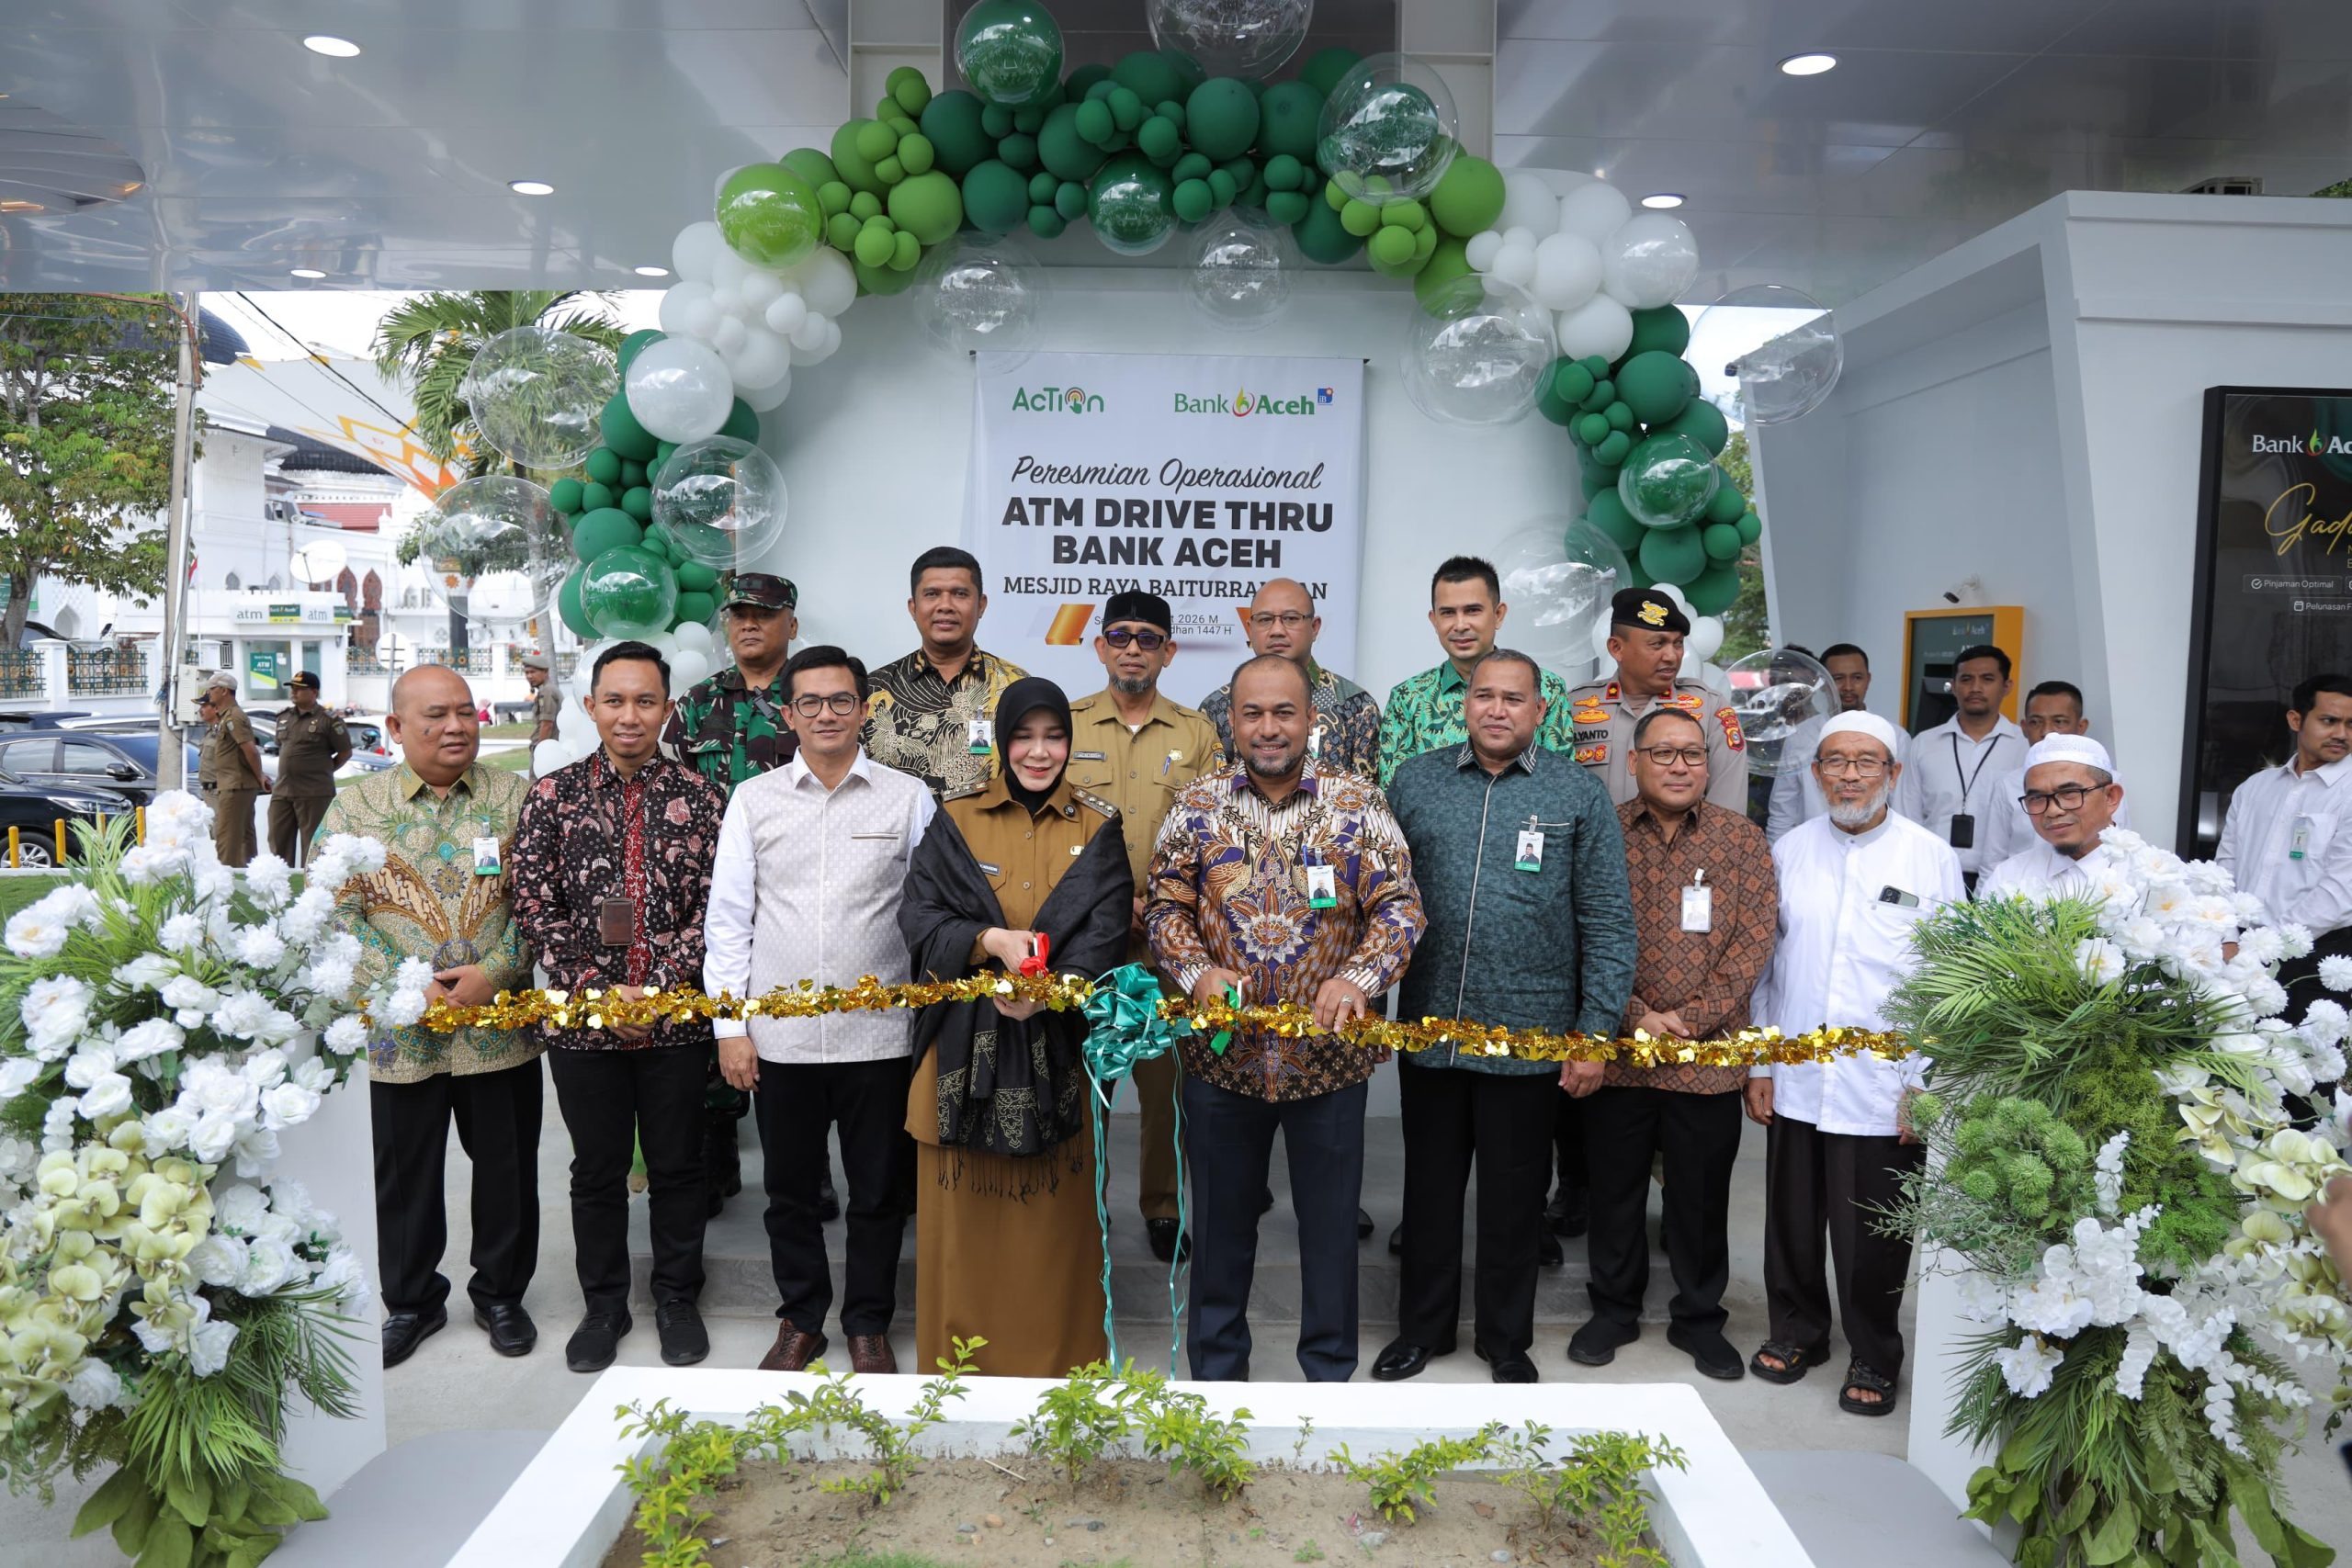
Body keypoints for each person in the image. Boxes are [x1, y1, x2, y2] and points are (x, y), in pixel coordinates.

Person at [1147, 654, 1426, 1382]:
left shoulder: (1357, 803)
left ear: (1310, 719)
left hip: (1329, 1065)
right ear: (1231, 720)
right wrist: (1197, 971)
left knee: (1330, 1235)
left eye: (1283, 712)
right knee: (1220, 1233)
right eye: (1253, 713)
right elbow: (1164, 907)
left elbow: (1401, 909)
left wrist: (1358, 977)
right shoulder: (1197, 804)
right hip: (1220, 1061)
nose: (1268, 728)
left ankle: (1328, 1378)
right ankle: (1216, 1379)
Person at [1377, 649, 1632, 1385]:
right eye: (1484, 695)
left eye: (1513, 698)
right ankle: (1422, 1331)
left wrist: (1595, 1032)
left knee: (1515, 1199)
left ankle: (1506, 1339)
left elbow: (1608, 921)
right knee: (1428, 1193)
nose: (1496, 709)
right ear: (1466, 704)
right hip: (1431, 1031)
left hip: (1531, 1035)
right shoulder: (1415, 781)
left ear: (1540, 710)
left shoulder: (1575, 793)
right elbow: (1378, 901)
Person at [704, 646, 935, 1375]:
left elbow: (932, 914)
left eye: (841, 700)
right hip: (782, 1041)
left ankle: (868, 1322)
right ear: (788, 712)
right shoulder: (755, 800)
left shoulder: (908, 798)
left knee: (878, 1193)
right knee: (789, 1193)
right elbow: (727, 921)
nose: (826, 714)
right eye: (811, 701)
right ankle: (802, 1319)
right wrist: (731, 1027)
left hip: (882, 1038)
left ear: (864, 709)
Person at [899, 677, 1133, 1376]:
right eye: (1024, 736)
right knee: (961, 1220)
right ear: (1002, 741)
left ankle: (1061, 1362)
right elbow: (918, 916)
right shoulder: (956, 817)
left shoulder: (1099, 825)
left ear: (1070, 741)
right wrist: (987, 941)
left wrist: (1050, 994)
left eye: (1054, 736)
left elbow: (1107, 932)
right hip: (959, 1047)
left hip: (1061, 1045)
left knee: (1057, 1222)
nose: (1038, 751)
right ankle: (959, 1369)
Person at [509, 641, 727, 1374]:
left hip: (675, 1021)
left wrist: (658, 987)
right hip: (582, 1024)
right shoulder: (552, 795)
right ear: (590, 706)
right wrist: (597, 993)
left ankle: (676, 1298)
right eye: (614, 700)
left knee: (678, 1166)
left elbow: (717, 907)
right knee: (596, 1170)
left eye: (644, 700)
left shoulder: (703, 797)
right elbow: (534, 903)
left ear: (668, 708)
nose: (629, 715)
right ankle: (603, 1306)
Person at [322, 664, 540, 1368]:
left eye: (466, 713)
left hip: (498, 1028)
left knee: (507, 1170)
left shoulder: (516, 797)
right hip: (400, 1034)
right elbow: (331, 912)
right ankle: (412, 1302)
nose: (455, 727)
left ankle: (501, 1295)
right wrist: (403, 985)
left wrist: (496, 971)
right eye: (436, 715)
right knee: (405, 1176)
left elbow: (544, 899)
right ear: (395, 727)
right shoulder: (355, 809)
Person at [1747, 710, 1962, 1416]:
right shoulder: (1789, 851)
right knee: (1791, 1221)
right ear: (1816, 774)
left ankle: (1874, 1351)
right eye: (1835, 761)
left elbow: (1951, 980)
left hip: (1883, 1085)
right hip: (1798, 1074)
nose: (1849, 775)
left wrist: (1925, 1083)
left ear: (1892, 774)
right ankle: (1798, 1331)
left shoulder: (1929, 857)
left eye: (1865, 761)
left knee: (1874, 1230)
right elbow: (1765, 969)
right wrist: (1760, 1063)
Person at [1574, 707, 1777, 1381]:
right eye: (1664, 753)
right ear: (1634, 762)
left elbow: (1754, 943)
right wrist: (1634, 1016)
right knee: (1615, 1192)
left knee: (1700, 1197)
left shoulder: (1741, 839)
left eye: (1693, 753)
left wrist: (1689, 1020)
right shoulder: (1601, 831)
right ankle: (1613, 1310)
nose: (1680, 765)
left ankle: (1698, 1318)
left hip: (1706, 1059)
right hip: (1620, 1055)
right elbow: (1578, 931)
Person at [1556, 587, 1747, 1240]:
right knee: (1590, 1049)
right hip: (1593, 899)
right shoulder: (1576, 709)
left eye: (1677, 644)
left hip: (1683, 902)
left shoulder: (1709, 711)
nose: (1671, 655)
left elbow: (1727, 825)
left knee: (1673, 1074)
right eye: (1657, 643)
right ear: (1616, 647)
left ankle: (1672, 1198)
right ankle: (1577, 1185)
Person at [1063, 590, 1224, 1265]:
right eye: (1121, 636)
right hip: (1087, 939)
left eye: (1148, 638)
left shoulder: (1197, 733)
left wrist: (1160, 903)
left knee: (1166, 1090)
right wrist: (1105, 902)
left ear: (1168, 651)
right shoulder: (1066, 723)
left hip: (1169, 944)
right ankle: (1081, 1210)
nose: (1134, 648)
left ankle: (1163, 1208)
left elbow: (1216, 836)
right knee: (1087, 1084)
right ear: (1100, 646)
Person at [661, 570, 806, 1222]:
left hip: (793, 893)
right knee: (707, 1029)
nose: (750, 623)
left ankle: (802, 1170)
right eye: (739, 613)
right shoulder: (696, 704)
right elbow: (666, 791)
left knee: (791, 1027)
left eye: (765, 614)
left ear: (791, 624)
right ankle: (715, 1163)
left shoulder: (812, 697)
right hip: (709, 892)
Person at [1375, 556, 1579, 787]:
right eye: (1448, 613)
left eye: (1472, 611)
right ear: (1434, 620)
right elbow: (1394, 792)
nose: (1460, 625)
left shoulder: (1546, 687)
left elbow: (1562, 783)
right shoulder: (1408, 697)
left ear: (1498, 614)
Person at [2218, 672, 2352, 1014]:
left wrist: (2263, 947)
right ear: (2295, 720)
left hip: (2316, 961)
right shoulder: (2255, 788)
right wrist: (2228, 938)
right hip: (2235, 953)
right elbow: (2225, 869)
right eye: (2329, 721)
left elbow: (2340, 893)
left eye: (2351, 725)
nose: (2341, 733)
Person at [863, 546, 1026, 798]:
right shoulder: (873, 690)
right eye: (932, 594)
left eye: (960, 594)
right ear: (913, 607)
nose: (946, 605)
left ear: (981, 605)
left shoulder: (1016, 687)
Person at [1198, 578, 1381, 782]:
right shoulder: (1216, 707)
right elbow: (1209, 791)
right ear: (1249, 628)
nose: (1277, 630)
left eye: (1291, 619)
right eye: (1265, 620)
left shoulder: (1356, 706)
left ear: (1314, 627)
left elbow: (1366, 792)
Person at [1894, 644, 2023, 895]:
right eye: (1966, 679)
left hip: (2003, 880)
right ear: (1953, 686)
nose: (1975, 687)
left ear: (2007, 686)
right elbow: (1906, 817)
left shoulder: (2024, 745)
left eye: (1987, 679)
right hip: (1933, 877)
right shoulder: (1924, 743)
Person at [1977, 681, 2132, 866]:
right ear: (2024, 727)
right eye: (2036, 722)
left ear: (2081, 726)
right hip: (2025, 881)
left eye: (2059, 722)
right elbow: (1994, 857)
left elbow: (2118, 842)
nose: (2047, 732)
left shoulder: (2106, 779)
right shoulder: (2007, 784)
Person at [1767, 643, 1895, 845]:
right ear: (1824, 681)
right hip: (1813, 851)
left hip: (1877, 852)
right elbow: (1783, 810)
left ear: (1868, 680)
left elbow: (1902, 810)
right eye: (1838, 678)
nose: (1848, 687)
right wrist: (1776, 858)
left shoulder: (1896, 737)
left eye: (1857, 677)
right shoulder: (1800, 736)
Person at [1978, 736, 2128, 900]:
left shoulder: (2143, 874)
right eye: (2037, 798)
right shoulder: (2008, 878)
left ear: (2110, 797)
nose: (2053, 811)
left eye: (2069, 793)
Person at [268, 671, 349, 866]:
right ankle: (280, 881)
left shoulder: (328, 719)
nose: (294, 692)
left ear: (314, 692)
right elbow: (282, 747)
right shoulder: (284, 717)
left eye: (299, 689)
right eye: (293, 688)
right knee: (278, 843)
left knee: (313, 845)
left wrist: (324, 771)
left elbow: (345, 752)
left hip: (314, 792)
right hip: (283, 790)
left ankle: (310, 882)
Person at [198, 673, 268, 866]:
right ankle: (245, 874)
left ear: (224, 691)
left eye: (212, 689)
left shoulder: (233, 717)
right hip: (233, 784)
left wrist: (260, 776)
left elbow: (250, 750)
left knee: (227, 838)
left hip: (235, 785)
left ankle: (228, 876)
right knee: (241, 837)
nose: (209, 693)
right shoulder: (226, 716)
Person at [524, 652, 560, 761]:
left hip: (547, 750)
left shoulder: (547, 691)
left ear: (545, 672)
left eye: (533, 672)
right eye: (527, 673)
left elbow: (547, 725)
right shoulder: (547, 689)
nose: (529, 676)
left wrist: (540, 753)